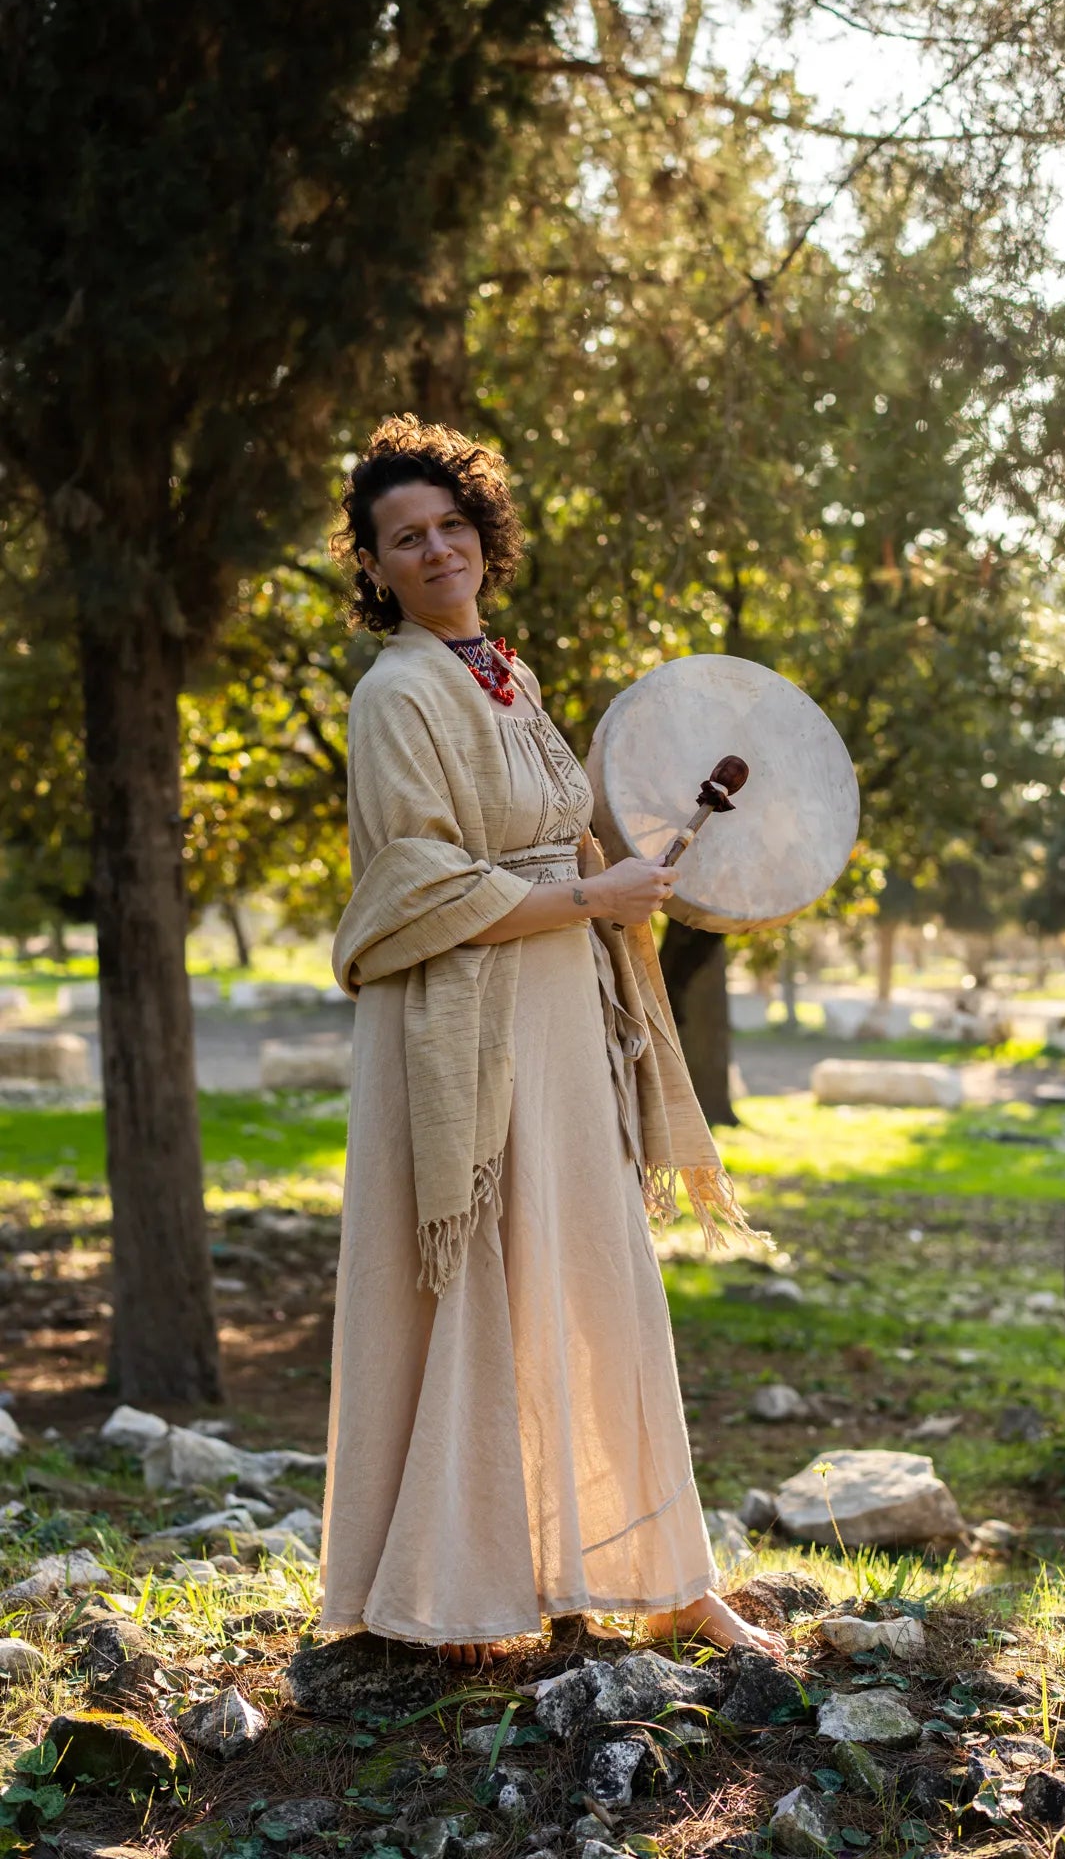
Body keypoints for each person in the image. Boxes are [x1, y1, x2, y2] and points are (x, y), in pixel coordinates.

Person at [318, 415, 782, 1666]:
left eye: (451, 526)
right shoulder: (397, 691)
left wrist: (617, 882)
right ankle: (446, 1592)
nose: (435, 550)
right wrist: (586, 898)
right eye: (403, 538)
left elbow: (554, 836)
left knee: (595, 1272)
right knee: (481, 1284)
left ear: (484, 534)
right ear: (372, 565)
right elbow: (411, 888)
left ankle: (657, 1573)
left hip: (563, 1013)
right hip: (465, 1027)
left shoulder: (505, 675)